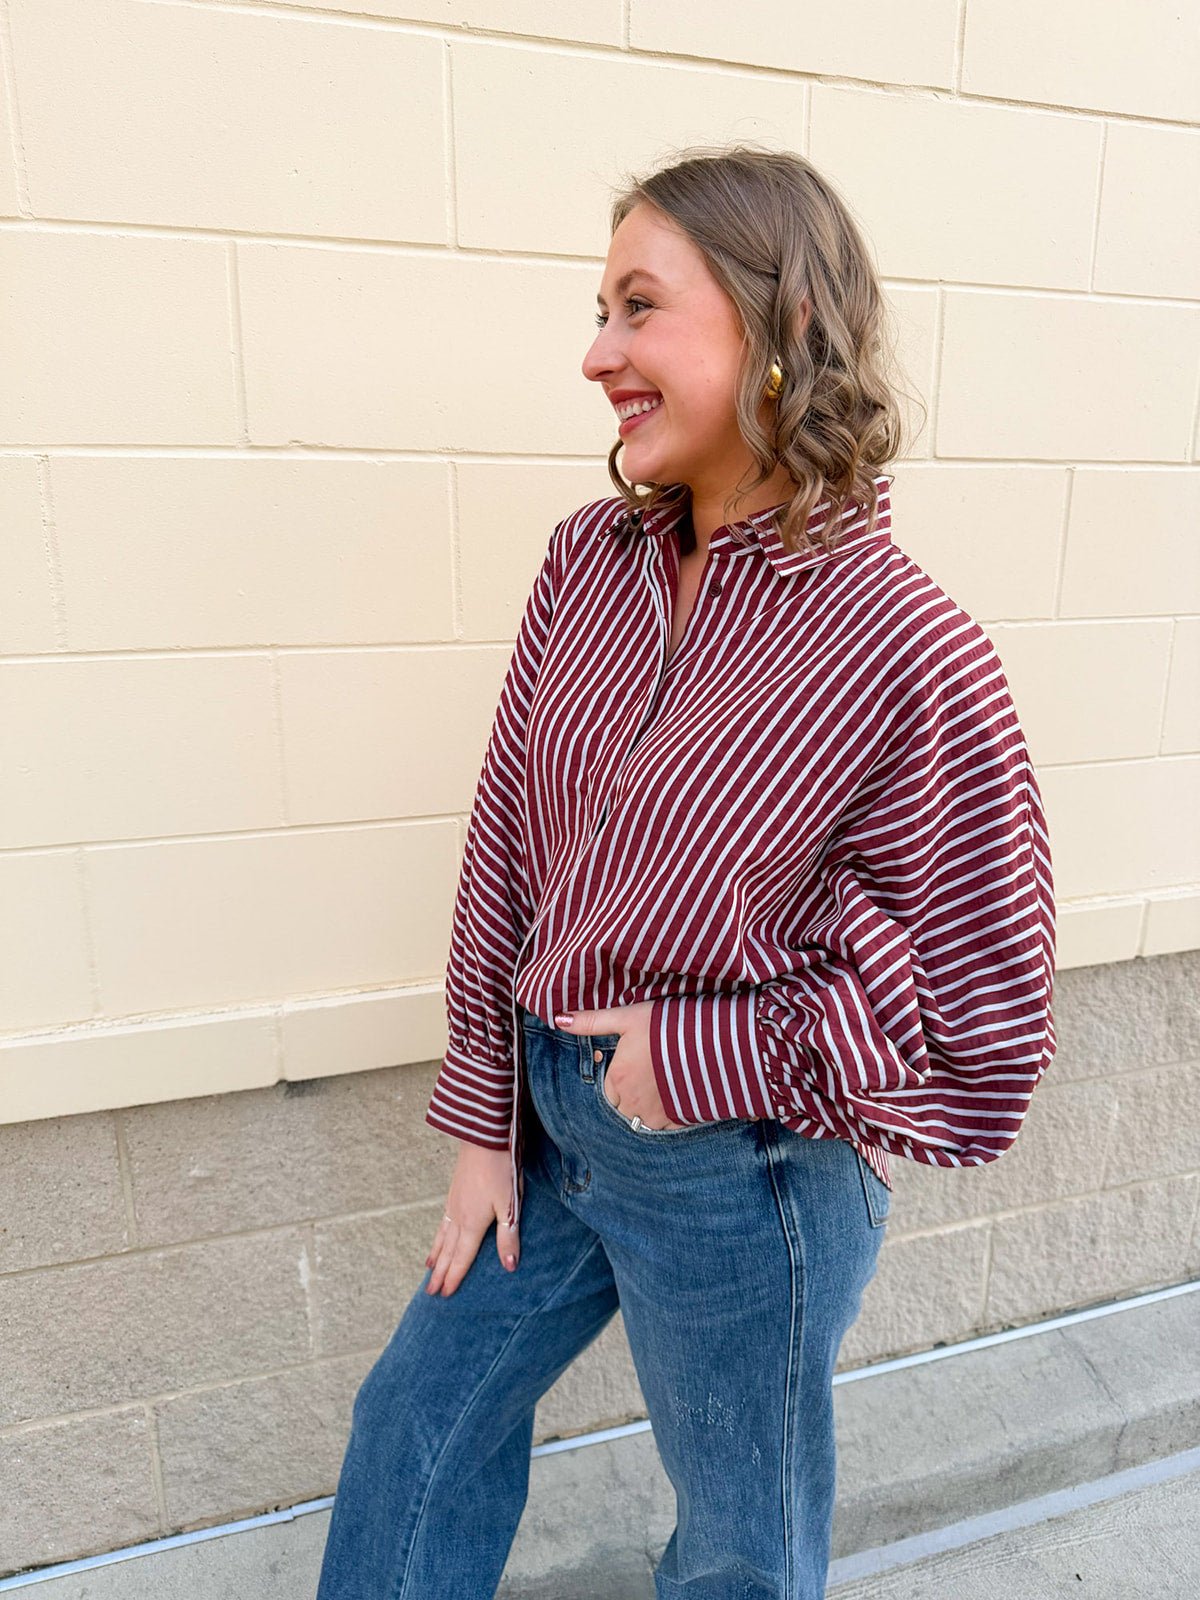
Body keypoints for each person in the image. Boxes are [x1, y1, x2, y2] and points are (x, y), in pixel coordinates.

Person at [315, 144, 1057, 1599]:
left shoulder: (908, 650)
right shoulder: (587, 562)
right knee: (412, 1429)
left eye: (640, 307)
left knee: (735, 1555)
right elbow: (507, 844)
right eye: (599, 312)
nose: (598, 354)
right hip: (548, 1121)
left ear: (783, 323)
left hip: (741, 1174)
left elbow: (988, 1023)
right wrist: (482, 1120)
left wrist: (701, 1052)